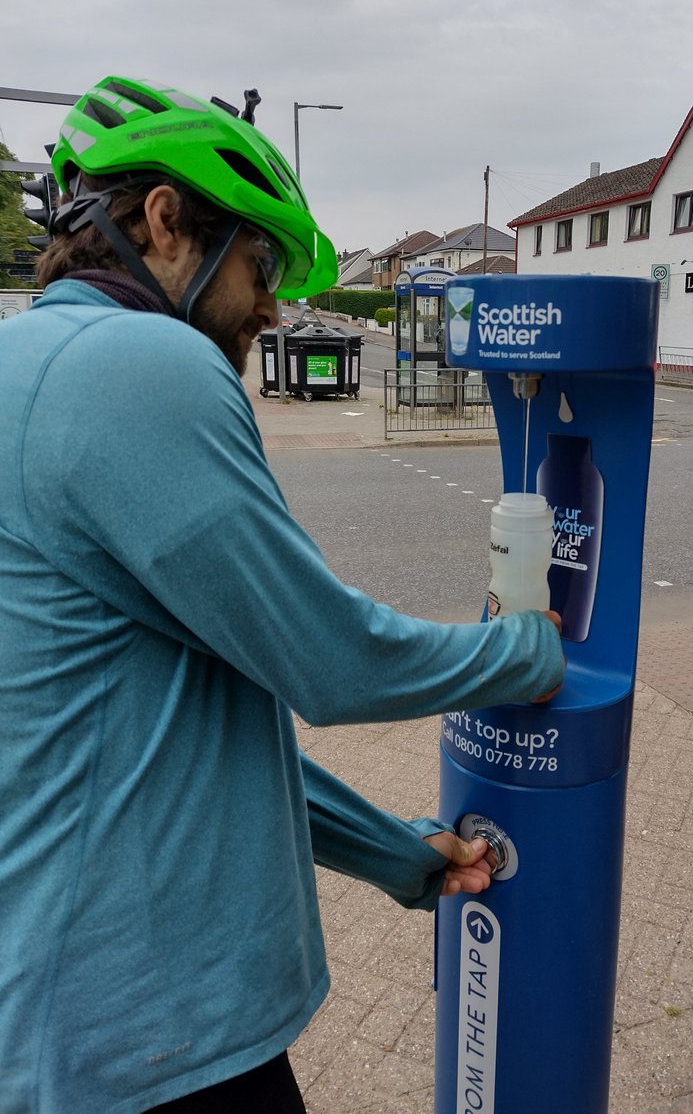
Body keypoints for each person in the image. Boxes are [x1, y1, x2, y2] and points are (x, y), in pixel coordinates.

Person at [0, 76, 565, 1114]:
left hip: (63, 1019)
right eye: (259, 263)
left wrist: (396, 854)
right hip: (151, 1035)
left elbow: (166, 730)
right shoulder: (140, 361)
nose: (271, 305)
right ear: (164, 220)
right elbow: (332, 662)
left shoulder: (23, 363)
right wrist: (523, 653)